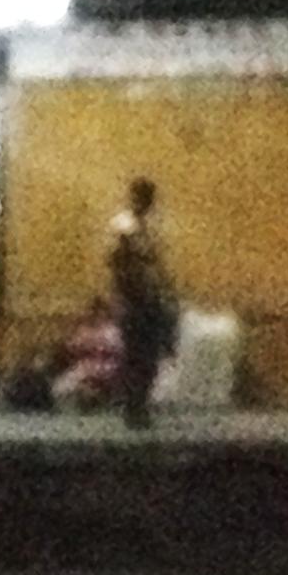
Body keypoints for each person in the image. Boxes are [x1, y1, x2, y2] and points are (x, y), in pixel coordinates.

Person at [107, 176, 178, 430]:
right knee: (134, 354)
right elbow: (118, 264)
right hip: (133, 300)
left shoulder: (151, 228)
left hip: (150, 299)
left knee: (149, 354)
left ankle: (141, 404)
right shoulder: (124, 227)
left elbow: (158, 264)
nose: (146, 204)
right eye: (142, 198)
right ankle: (132, 407)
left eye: (148, 199)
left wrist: (167, 290)